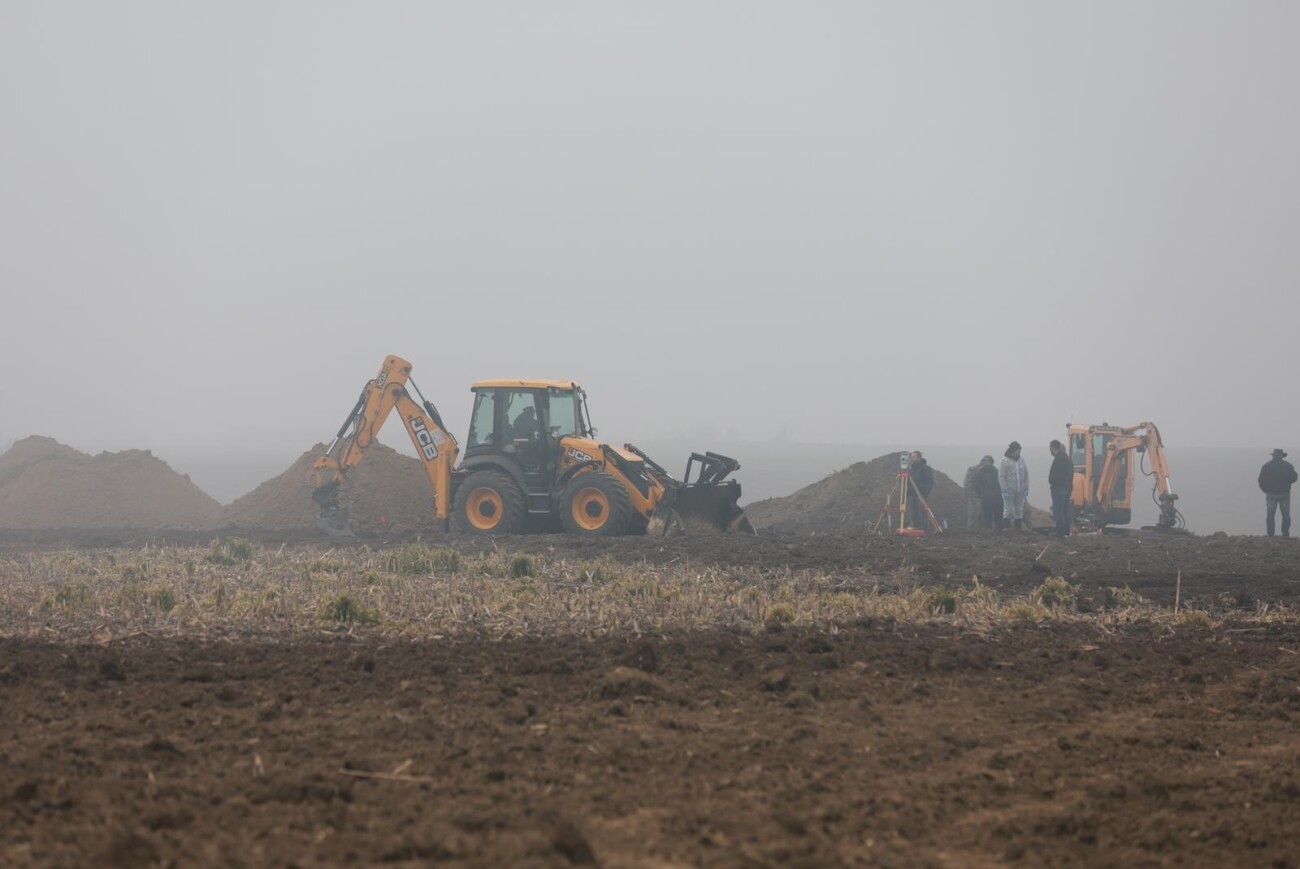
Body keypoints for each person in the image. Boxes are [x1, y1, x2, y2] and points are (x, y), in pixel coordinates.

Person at [1258, 448, 1298, 537]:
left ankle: (1271, 534)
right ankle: (1285, 533)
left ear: (1273, 456)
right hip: (1284, 493)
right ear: (1282, 456)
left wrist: (1265, 490)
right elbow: (1294, 478)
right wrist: (1287, 484)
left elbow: (1261, 480)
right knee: (1286, 515)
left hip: (1271, 493)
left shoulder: (1266, 466)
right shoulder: (1288, 466)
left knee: (1270, 515)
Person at [999, 441, 1029, 530]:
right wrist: (1004, 490)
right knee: (1008, 510)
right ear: (1013, 451)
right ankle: (1006, 528)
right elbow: (1001, 476)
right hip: (1009, 490)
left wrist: (1026, 487)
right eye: (1018, 451)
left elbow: (1026, 475)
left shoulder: (1021, 460)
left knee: (1019, 509)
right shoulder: (1004, 461)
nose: (1019, 453)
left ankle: (1018, 528)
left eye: (1020, 451)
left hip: (1020, 490)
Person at [1048, 439, 1073, 537]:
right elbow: (1070, 476)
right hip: (1066, 488)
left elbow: (1057, 475)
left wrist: (1053, 482)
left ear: (1053, 448)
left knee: (1058, 510)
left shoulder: (1059, 459)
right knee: (1065, 510)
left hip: (1059, 488)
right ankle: (1066, 531)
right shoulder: (1067, 459)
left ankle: (1060, 532)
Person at [907, 450, 935, 530]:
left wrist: (924, 494)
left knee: (923, 515)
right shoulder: (911, 470)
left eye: (914, 457)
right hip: (911, 495)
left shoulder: (925, 468)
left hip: (921, 495)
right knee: (913, 515)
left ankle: (925, 531)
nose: (912, 459)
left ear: (919, 457)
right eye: (911, 457)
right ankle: (915, 529)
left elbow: (930, 482)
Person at [976, 456, 1002, 529]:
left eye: (984, 461)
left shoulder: (979, 472)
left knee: (988, 517)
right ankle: (1001, 533)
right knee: (998, 517)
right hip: (997, 497)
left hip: (986, 497)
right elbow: (1001, 484)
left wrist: (981, 493)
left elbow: (977, 486)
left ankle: (989, 533)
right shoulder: (997, 472)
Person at [963, 460, 983, 530]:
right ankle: (971, 530)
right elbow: (967, 482)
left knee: (979, 514)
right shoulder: (973, 469)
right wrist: (968, 493)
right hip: (973, 495)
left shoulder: (989, 471)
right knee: (973, 513)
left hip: (983, 495)